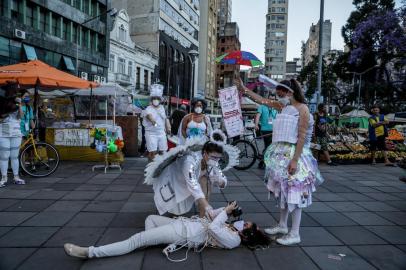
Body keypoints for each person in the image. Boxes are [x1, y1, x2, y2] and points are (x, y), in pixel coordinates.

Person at [237, 78, 323, 246]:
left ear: (290, 92)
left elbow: (302, 136)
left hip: (295, 156)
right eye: (277, 93)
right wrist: (244, 89)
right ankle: (283, 225)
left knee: (295, 194)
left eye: (281, 93)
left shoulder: (303, 109)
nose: (278, 96)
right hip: (281, 155)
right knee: (283, 191)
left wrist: (295, 160)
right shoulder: (284, 107)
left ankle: (295, 232)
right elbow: (261, 101)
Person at [63, 201, 270, 261]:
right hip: (180, 225)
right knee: (151, 218)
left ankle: (90, 252)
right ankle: (152, 240)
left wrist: (225, 213)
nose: (243, 223)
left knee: (136, 240)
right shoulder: (230, 227)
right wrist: (225, 209)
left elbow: (214, 227)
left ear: (246, 235)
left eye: (246, 225)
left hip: (182, 234)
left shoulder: (233, 240)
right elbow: (212, 218)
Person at [144, 130, 239, 218]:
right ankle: (202, 211)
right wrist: (208, 207)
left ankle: (203, 219)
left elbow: (223, 179)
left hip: (195, 178)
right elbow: (193, 184)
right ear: (205, 153)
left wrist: (219, 180)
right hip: (178, 179)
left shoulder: (214, 161)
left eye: (218, 158)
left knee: (206, 181)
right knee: (176, 211)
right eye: (213, 157)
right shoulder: (190, 160)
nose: (216, 161)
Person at [0, 87, 26, 187]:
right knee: (4, 156)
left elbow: (21, 116)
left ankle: (16, 177)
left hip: (16, 132)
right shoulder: (2, 103)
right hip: (3, 133)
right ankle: (4, 178)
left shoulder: (16, 103)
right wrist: (6, 113)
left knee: (14, 156)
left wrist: (19, 105)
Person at [142, 84, 171, 162]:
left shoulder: (162, 108)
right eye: (154, 98)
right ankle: (150, 170)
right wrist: (153, 122)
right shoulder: (148, 108)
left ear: (160, 99)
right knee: (152, 152)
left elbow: (165, 118)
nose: (155, 100)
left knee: (163, 151)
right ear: (151, 99)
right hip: (151, 133)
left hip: (161, 132)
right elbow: (149, 116)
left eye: (157, 98)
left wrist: (168, 128)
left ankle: (161, 169)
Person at [255, 101, 278, 169]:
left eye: (273, 99)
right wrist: (256, 124)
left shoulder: (276, 108)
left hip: (274, 130)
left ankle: (263, 161)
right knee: (268, 146)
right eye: (270, 99)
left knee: (269, 146)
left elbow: (277, 118)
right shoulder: (262, 107)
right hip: (265, 129)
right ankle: (263, 161)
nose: (271, 101)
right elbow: (258, 116)